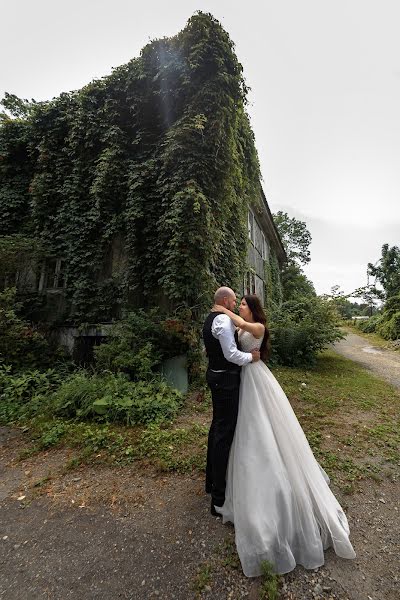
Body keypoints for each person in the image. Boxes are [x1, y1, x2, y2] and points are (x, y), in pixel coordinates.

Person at [212, 294, 356, 576]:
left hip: (257, 378)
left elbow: (240, 323)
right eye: (238, 302)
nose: (239, 306)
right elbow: (231, 338)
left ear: (252, 309)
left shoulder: (258, 328)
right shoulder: (241, 327)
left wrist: (222, 310)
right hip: (243, 378)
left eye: (243, 303)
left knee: (264, 426)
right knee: (246, 429)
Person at [203, 287, 260, 516]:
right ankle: (218, 498)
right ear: (225, 301)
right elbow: (231, 355)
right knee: (223, 435)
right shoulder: (223, 322)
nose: (236, 305)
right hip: (225, 381)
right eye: (235, 301)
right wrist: (251, 357)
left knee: (217, 428)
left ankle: (211, 483)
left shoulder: (213, 318)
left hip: (216, 376)